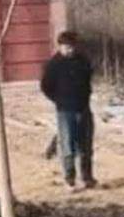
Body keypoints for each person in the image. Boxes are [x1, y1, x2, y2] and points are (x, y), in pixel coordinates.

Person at [40, 30, 95, 190]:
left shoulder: (83, 61)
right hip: (65, 111)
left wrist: (85, 97)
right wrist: (60, 100)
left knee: (86, 146)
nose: (70, 50)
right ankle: (69, 179)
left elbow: (88, 80)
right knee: (67, 146)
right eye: (66, 47)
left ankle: (87, 177)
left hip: (83, 108)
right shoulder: (53, 65)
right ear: (60, 47)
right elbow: (46, 87)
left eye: (72, 46)